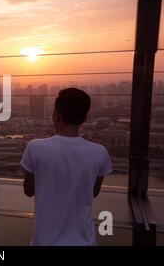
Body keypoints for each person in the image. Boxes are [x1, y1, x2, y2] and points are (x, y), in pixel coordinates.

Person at [20, 87, 112, 246]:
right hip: (85, 241)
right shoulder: (99, 152)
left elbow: (29, 191)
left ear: (56, 116)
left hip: (44, 241)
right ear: (84, 119)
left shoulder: (35, 148)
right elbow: (93, 192)